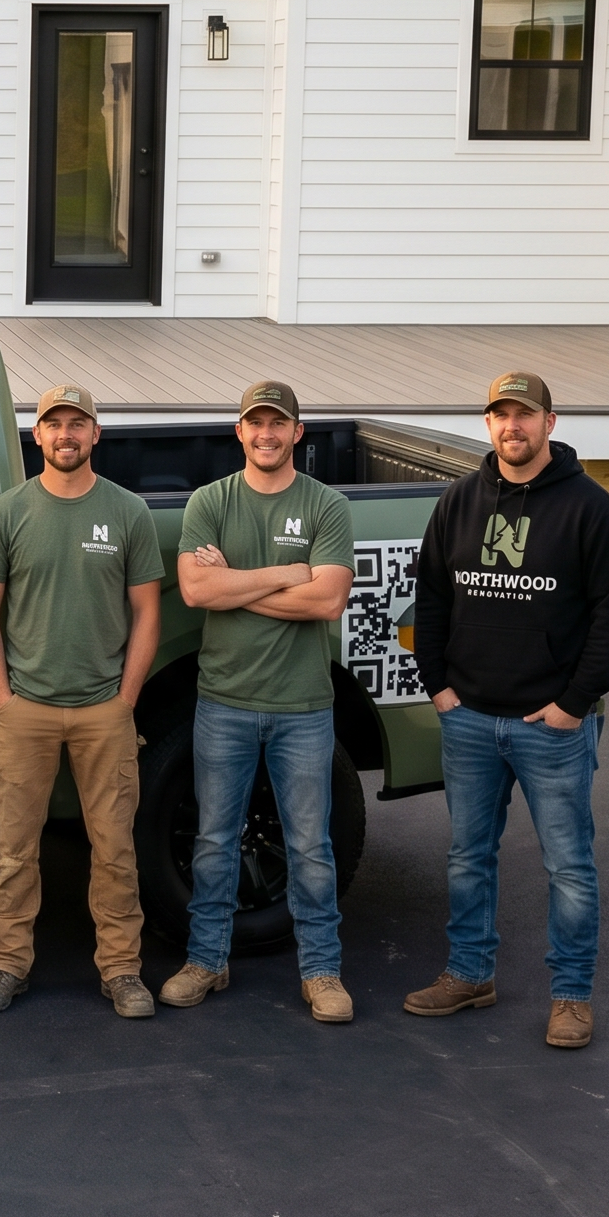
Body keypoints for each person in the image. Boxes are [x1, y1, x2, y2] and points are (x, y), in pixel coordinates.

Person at [405, 372, 609, 1050]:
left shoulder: (592, 508)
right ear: (488, 424)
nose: (513, 426)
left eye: (525, 414)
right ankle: (469, 974)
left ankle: (571, 996)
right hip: (470, 719)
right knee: (468, 857)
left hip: (552, 726)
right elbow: (432, 597)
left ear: (550, 422)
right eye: (501, 414)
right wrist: (439, 687)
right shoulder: (459, 500)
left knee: (568, 866)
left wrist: (573, 703)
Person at [0, 385, 164, 1019]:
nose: (66, 435)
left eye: (78, 423)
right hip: (25, 709)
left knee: (115, 849)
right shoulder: (6, 512)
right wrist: (3, 698)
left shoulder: (128, 512)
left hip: (105, 710)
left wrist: (125, 700)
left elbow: (147, 612)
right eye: (55, 424)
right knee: (14, 848)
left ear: (96, 434)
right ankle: (6, 964)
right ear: (38, 435)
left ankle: (122, 970)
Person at [162, 381, 356, 1024]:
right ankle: (206, 961)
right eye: (256, 423)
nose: (266, 434)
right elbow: (196, 591)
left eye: (278, 423)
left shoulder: (326, 505)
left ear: (298, 432)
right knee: (213, 841)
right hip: (224, 702)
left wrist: (235, 584)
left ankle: (322, 972)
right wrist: (285, 574)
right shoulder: (210, 501)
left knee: (311, 848)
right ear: (239, 431)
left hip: (304, 707)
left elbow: (328, 600)